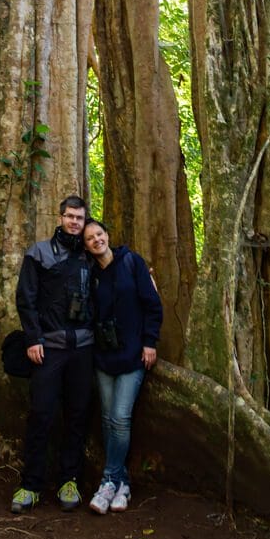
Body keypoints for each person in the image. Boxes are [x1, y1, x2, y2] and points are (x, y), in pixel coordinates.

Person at [11, 195, 94, 514]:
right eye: (70, 216)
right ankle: (31, 484)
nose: (74, 222)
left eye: (80, 218)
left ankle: (69, 479)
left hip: (83, 349)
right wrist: (33, 338)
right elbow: (26, 297)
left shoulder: (90, 254)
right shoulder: (40, 253)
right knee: (42, 414)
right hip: (49, 348)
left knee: (77, 415)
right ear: (60, 218)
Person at [83, 218, 163, 515]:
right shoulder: (90, 274)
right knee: (106, 420)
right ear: (86, 245)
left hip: (133, 356)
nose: (96, 240)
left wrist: (150, 342)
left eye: (99, 234)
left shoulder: (132, 262)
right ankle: (122, 483)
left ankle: (107, 481)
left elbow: (153, 305)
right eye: (89, 238)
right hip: (104, 357)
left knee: (119, 417)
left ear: (108, 234)